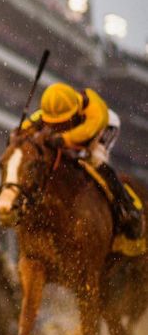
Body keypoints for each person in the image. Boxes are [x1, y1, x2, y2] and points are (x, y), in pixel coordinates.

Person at [23, 82, 144, 240]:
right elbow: (27, 127)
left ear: (75, 111)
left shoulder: (94, 109)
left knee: (95, 160)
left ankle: (127, 207)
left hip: (102, 129)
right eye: (56, 123)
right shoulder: (54, 109)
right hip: (76, 133)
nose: (59, 126)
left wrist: (63, 139)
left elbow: (89, 130)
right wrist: (19, 134)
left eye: (63, 122)